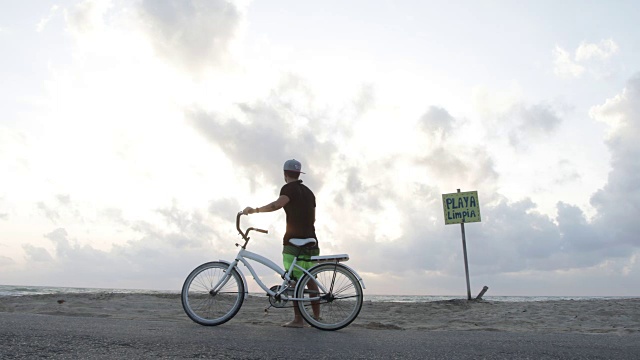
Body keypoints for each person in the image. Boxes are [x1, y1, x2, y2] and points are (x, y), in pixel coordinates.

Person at [242, 159, 320, 328]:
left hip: (293, 240)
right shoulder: (309, 192)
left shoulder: (288, 188)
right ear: (299, 174)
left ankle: (299, 320)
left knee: (293, 280)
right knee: (309, 279)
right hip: (312, 239)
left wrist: (254, 210)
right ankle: (316, 318)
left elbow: (277, 205)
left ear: (285, 174)